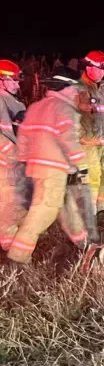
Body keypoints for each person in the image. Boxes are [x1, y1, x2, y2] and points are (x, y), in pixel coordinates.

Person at [5, 67, 90, 264]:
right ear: (65, 88)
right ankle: (18, 257)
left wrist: (26, 163)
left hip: (36, 168)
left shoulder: (36, 107)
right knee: (43, 213)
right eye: (75, 87)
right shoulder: (65, 109)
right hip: (55, 170)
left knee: (68, 205)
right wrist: (82, 166)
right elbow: (70, 142)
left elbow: (23, 138)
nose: (77, 91)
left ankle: (83, 242)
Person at [79, 50, 104, 213]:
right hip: (88, 144)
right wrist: (87, 139)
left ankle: (101, 208)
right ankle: (89, 212)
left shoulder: (102, 90)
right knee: (91, 177)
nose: (103, 73)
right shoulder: (80, 89)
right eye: (100, 69)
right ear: (89, 68)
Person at [0, 59, 28, 252]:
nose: (18, 85)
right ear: (2, 80)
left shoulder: (9, 101)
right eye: (14, 81)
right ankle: (10, 248)